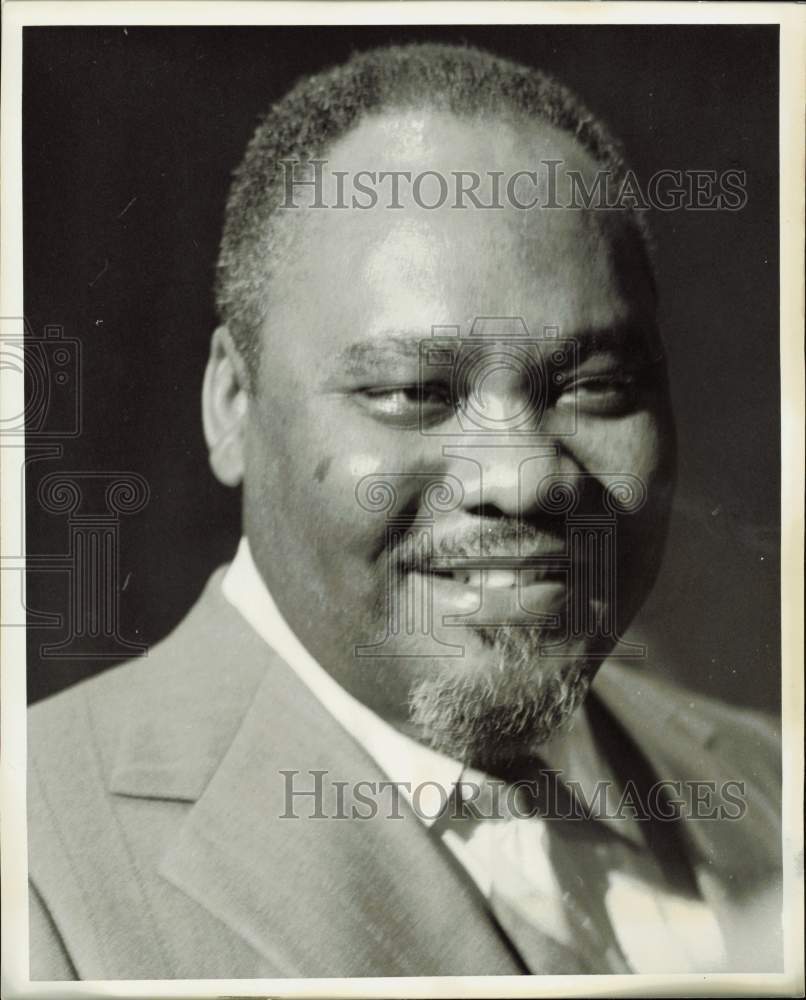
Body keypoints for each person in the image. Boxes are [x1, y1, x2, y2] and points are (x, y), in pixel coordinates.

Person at [28, 43, 781, 979]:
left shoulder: (771, 778)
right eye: (414, 390)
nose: (520, 476)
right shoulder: (37, 870)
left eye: (595, 387)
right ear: (232, 403)